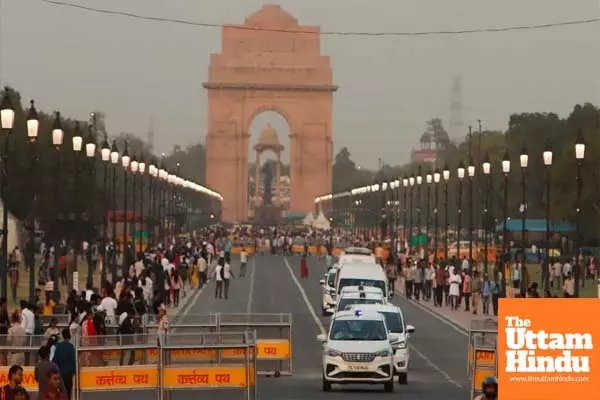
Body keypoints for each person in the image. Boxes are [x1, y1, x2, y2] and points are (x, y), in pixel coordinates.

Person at [52, 329, 75, 400]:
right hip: (69, 373)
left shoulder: (58, 346)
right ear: (69, 336)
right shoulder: (71, 346)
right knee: (68, 392)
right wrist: (74, 371)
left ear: (62, 336)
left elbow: (55, 361)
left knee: (61, 392)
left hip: (60, 373)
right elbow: (73, 360)